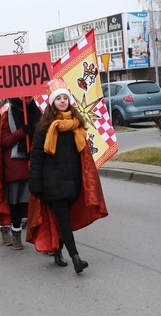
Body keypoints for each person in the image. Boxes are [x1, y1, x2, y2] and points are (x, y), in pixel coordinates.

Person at [27, 79, 108, 274]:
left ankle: (57, 250)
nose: (62, 101)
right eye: (58, 98)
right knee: (63, 218)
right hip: (52, 183)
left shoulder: (77, 127)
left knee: (64, 220)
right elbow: (36, 158)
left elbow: (84, 158)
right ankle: (76, 258)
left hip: (72, 182)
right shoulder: (44, 128)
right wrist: (35, 184)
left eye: (65, 98)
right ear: (52, 102)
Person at [0, 97, 42, 250]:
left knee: (38, 203)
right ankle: (16, 234)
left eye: (30, 96)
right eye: (25, 96)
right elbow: (5, 141)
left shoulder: (38, 112)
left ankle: (44, 239)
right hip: (15, 164)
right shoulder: (8, 114)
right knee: (18, 203)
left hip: (34, 162)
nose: (28, 99)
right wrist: (21, 132)